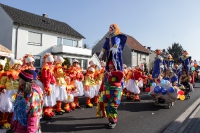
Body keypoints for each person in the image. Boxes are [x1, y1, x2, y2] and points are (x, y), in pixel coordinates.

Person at [102, 61, 124, 129]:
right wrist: (100, 90)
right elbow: (103, 82)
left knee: (112, 106)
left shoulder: (118, 72)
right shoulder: (107, 73)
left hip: (114, 93)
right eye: (109, 65)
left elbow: (121, 74)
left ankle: (113, 121)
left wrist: (112, 73)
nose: (110, 67)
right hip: (106, 92)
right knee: (106, 107)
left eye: (112, 65)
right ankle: (110, 120)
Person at [0, 59, 21, 129]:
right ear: (13, 65)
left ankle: (11, 120)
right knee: (8, 107)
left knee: (14, 107)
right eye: (17, 65)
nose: (18, 66)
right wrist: (2, 88)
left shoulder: (20, 73)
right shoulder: (7, 73)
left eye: (19, 65)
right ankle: (4, 121)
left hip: (16, 92)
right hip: (8, 92)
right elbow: (2, 82)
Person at [40, 53, 56, 119]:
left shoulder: (50, 67)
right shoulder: (46, 68)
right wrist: (47, 87)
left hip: (51, 84)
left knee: (51, 97)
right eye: (52, 61)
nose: (53, 62)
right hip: (48, 85)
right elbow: (46, 78)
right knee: (47, 98)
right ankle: (46, 112)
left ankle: (49, 110)